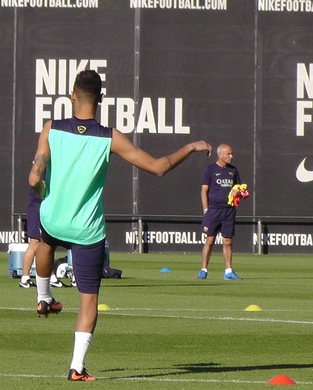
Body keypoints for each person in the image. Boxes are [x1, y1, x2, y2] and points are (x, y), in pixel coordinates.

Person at [28, 69, 212, 382]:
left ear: (72, 95)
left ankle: (43, 296)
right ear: (101, 99)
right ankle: (76, 367)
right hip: (86, 230)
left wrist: (47, 195)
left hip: (54, 219)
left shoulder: (51, 128)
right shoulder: (109, 137)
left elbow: (34, 178)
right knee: (89, 301)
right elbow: (158, 167)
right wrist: (191, 147)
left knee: (45, 241)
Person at [197, 144, 243, 280]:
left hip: (228, 211)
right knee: (210, 240)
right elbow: (204, 190)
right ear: (221, 154)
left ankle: (228, 271)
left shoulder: (233, 170)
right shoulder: (210, 170)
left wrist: (238, 192)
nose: (231, 156)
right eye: (229, 154)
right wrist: (206, 209)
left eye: (231, 153)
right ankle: (203, 270)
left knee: (228, 241)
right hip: (213, 211)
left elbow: (239, 189)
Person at [19, 182, 64, 288]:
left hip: (43, 208)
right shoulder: (41, 170)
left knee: (47, 244)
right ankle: (25, 278)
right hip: (37, 209)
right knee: (34, 244)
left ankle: (52, 277)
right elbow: (42, 187)